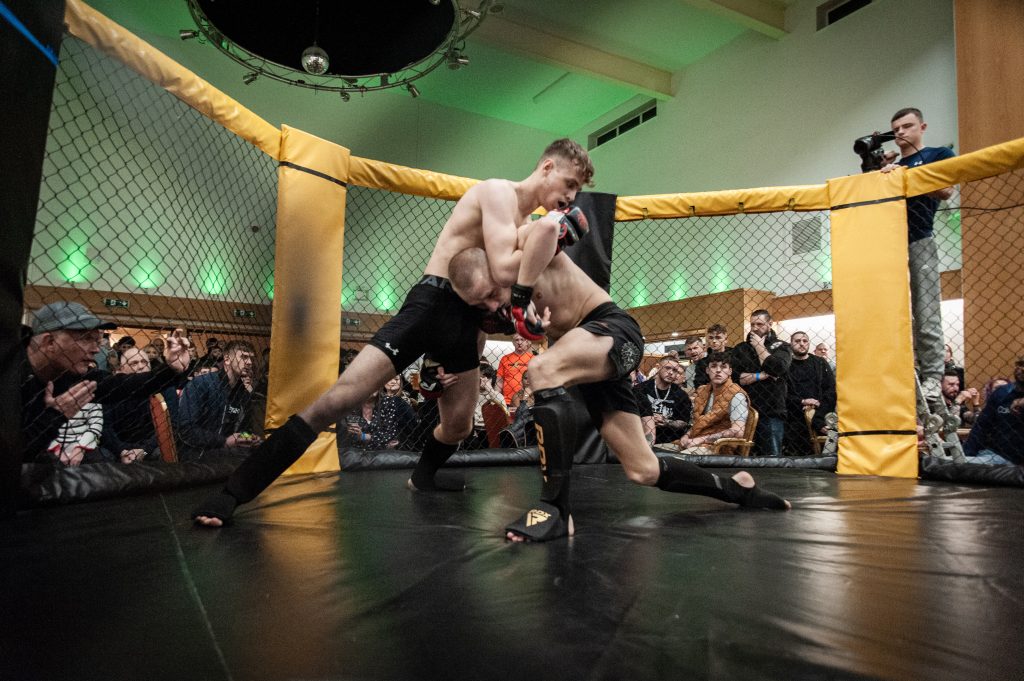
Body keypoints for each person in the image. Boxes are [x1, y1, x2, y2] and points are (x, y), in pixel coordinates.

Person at [193, 138, 595, 526]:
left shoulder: (525, 222)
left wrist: (528, 306)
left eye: (577, 191)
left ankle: (423, 477)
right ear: (547, 167)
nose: (571, 197)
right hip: (431, 304)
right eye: (570, 184)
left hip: (467, 320)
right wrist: (554, 236)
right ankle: (234, 492)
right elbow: (508, 271)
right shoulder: (496, 193)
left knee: (458, 426)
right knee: (339, 399)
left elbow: (502, 290)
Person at [446, 246, 790, 543]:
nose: (494, 304)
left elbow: (547, 229)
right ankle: (737, 489)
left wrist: (519, 295)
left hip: (612, 330)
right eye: (483, 303)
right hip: (590, 358)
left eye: (493, 293)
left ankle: (555, 507)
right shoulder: (494, 310)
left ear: (498, 269)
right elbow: (472, 336)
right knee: (643, 469)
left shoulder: (523, 257)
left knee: (541, 369)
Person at [21, 302, 191, 463]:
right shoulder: (11, 376)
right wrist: (54, 417)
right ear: (50, 342)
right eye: (86, 338)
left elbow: (122, 386)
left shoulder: (70, 373)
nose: (96, 349)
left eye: (97, 340)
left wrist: (171, 369)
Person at [880, 107, 955, 403]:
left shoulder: (938, 155)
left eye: (907, 126)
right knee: (892, 315)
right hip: (889, 244)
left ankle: (933, 377)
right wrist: (881, 172)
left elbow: (947, 191)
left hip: (920, 239)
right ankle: (902, 372)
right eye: (895, 128)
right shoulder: (892, 163)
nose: (900, 132)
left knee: (926, 313)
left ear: (922, 126)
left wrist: (906, 174)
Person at [176, 340, 261, 459]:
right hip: (198, 452)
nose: (249, 363)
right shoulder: (201, 384)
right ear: (226, 359)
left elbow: (244, 429)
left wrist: (248, 437)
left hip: (228, 449)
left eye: (251, 358)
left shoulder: (243, 393)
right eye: (244, 357)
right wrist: (224, 441)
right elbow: (187, 430)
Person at [730, 310, 792, 457]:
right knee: (744, 456)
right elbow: (736, 377)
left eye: (760, 324)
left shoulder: (782, 346)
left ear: (770, 324)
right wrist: (762, 375)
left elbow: (777, 368)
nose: (755, 328)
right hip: (745, 410)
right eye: (752, 324)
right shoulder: (741, 348)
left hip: (772, 411)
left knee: (772, 458)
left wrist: (759, 346)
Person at [676, 352, 749, 455]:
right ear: (707, 370)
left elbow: (738, 431)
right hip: (694, 440)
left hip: (720, 447)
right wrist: (687, 435)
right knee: (658, 450)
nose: (718, 370)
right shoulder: (703, 391)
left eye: (723, 367)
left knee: (680, 459)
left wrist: (700, 440)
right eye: (714, 366)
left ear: (730, 372)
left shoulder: (736, 395)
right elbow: (698, 423)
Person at [962, 357, 1023, 465]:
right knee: (954, 463)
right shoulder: (1002, 393)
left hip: (1017, 458)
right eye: (1020, 364)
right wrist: (966, 454)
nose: (1022, 369)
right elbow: (981, 426)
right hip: (997, 454)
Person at [784, 331, 836, 456]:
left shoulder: (820, 363)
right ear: (791, 344)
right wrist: (802, 401)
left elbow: (830, 389)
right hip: (795, 414)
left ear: (808, 344)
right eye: (797, 341)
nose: (801, 344)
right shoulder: (786, 365)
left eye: (804, 341)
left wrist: (818, 405)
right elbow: (783, 394)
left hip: (820, 412)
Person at [637, 356, 691, 444]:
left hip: (669, 441)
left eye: (675, 370)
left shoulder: (681, 395)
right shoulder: (640, 389)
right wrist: (647, 419)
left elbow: (684, 422)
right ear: (658, 368)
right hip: (641, 438)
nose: (671, 373)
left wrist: (667, 422)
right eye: (667, 368)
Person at [495, 334, 534, 408]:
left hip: (527, 400)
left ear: (527, 342)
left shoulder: (533, 359)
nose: (519, 342)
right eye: (517, 340)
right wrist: (496, 398)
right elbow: (499, 382)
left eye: (522, 340)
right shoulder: (505, 358)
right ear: (513, 342)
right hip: (507, 401)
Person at [694, 324, 729, 390]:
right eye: (711, 338)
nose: (714, 341)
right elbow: (699, 385)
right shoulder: (702, 362)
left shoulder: (734, 356)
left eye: (718, 337)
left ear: (726, 340)